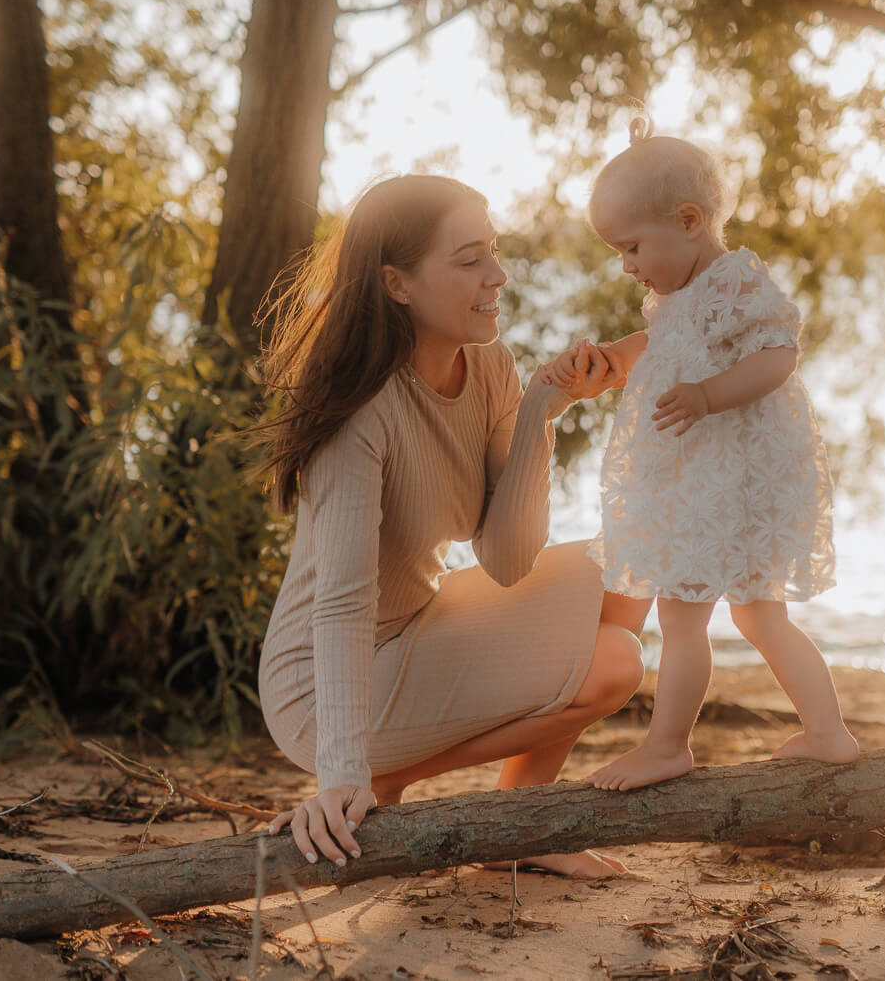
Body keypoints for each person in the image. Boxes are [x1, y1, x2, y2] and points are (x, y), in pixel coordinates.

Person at [255, 174, 646, 876]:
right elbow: (341, 605)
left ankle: (516, 824)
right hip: (324, 685)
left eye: (494, 252)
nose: (497, 275)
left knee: (631, 566)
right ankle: (381, 781)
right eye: (469, 260)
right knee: (614, 660)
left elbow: (506, 558)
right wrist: (340, 775)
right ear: (396, 284)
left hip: (419, 624)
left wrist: (538, 411)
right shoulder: (360, 417)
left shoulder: (489, 363)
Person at [540, 120, 860, 791]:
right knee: (755, 611)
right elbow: (657, 347)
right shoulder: (678, 296)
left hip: (731, 481)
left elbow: (779, 354)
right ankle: (827, 731)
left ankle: (666, 746)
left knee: (685, 612)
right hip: (708, 482)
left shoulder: (735, 280)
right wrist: (609, 362)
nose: (626, 265)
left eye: (631, 247)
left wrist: (710, 395)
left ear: (688, 220)